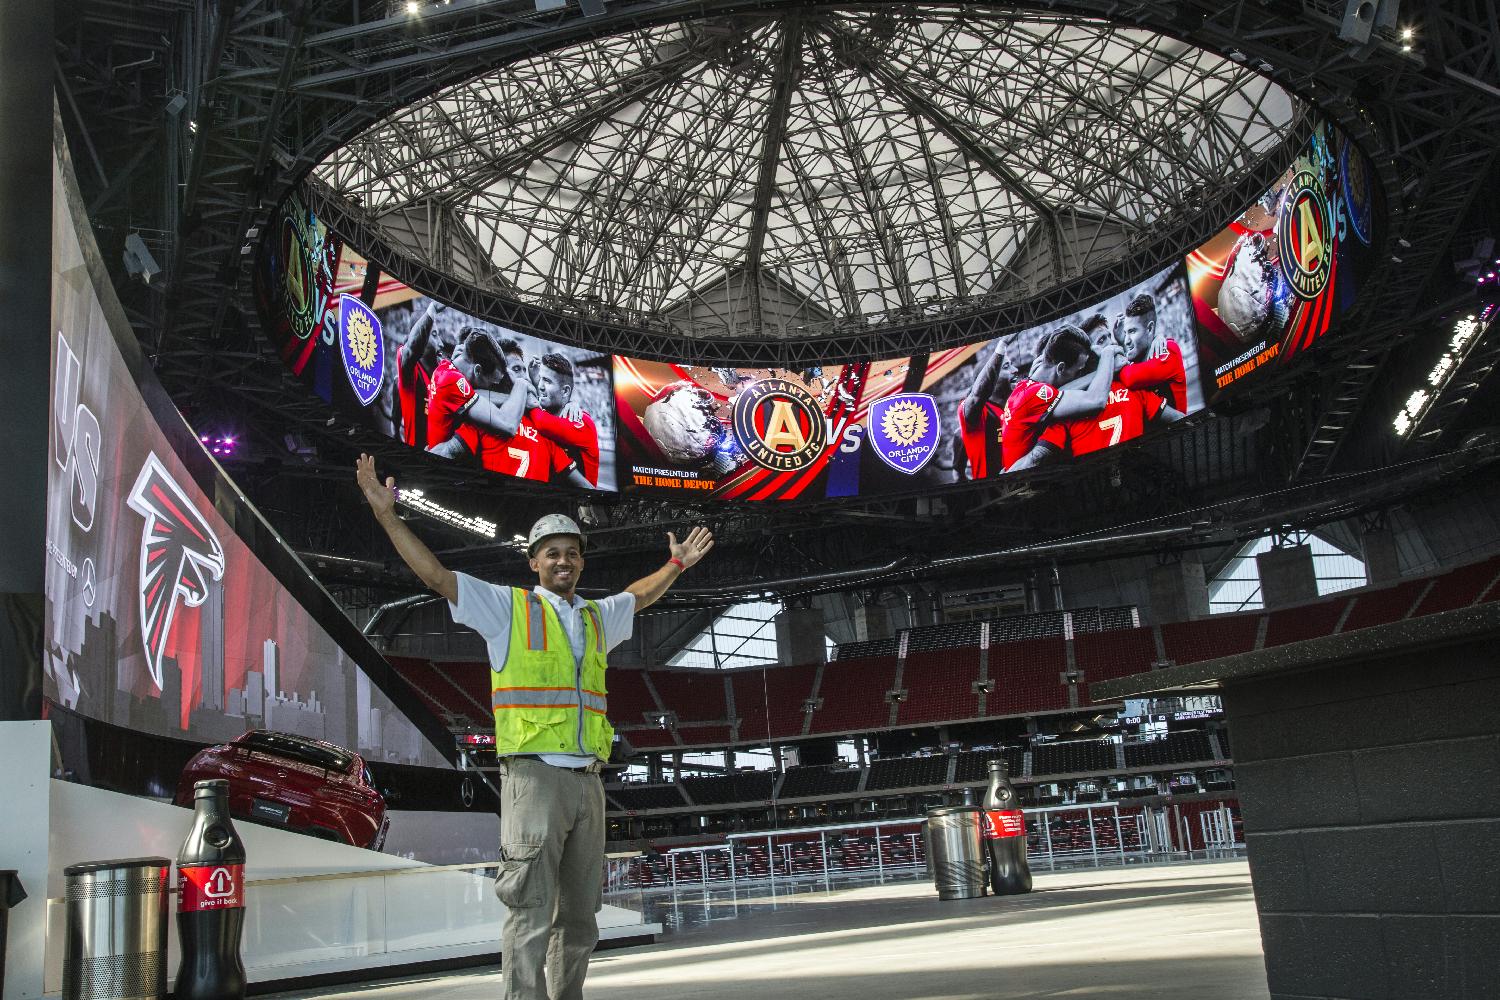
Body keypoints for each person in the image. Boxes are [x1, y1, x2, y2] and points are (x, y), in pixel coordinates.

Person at [354, 453, 714, 1000]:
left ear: (581, 563)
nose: (563, 561)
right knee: (529, 913)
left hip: (588, 783)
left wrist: (677, 564)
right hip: (534, 779)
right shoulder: (508, 610)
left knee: (581, 920)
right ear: (534, 563)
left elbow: (638, 595)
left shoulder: (595, 617)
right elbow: (437, 576)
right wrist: (387, 515)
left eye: (572, 553)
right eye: (552, 554)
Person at [1000, 325, 1120, 471]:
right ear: (1061, 368)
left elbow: (1062, 392)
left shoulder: (1025, 386)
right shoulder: (1038, 394)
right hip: (1024, 482)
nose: (1077, 375)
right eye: (1077, 370)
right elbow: (1096, 400)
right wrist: (1108, 355)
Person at [527, 353, 602, 486]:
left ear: (565, 391)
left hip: (581, 503)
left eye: (548, 381)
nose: (540, 386)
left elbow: (542, 423)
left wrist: (528, 395)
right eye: (540, 379)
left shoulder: (581, 421)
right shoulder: (547, 414)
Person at [956, 342, 1025, 480]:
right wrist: (1000, 348)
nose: (1015, 369)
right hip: (994, 494)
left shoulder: (1013, 406)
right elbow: (977, 396)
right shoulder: (978, 411)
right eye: (1006, 366)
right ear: (990, 378)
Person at [1113, 293, 1188, 413]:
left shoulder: (1169, 349)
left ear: (1150, 328)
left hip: (1178, 429)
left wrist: (1111, 366)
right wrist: (1121, 342)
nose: (1127, 340)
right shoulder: (1136, 358)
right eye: (1125, 333)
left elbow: (1130, 378)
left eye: (1132, 331)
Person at [395, 300, 454, 448]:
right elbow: (412, 349)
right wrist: (432, 310)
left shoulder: (441, 378)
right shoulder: (410, 371)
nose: (441, 343)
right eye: (434, 334)